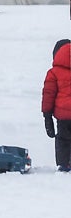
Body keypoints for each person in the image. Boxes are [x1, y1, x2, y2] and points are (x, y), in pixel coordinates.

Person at [42, 38, 71, 172]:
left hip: (63, 117)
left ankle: (64, 166)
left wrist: (47, 117)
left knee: (63, 140)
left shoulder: (53, 73)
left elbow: (48, 95)